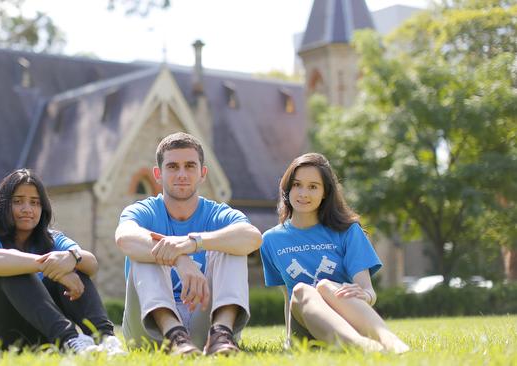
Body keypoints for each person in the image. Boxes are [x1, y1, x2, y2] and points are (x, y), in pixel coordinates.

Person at [115, 132, 262, 356]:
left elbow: (252, 237)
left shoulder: (216, 213)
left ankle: (222, 335)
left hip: (205, 321)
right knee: (150, 248)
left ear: (202, 173)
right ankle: (175, 336)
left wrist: (193, 243)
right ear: (158, 174)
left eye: (190, 166)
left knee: (231, 243)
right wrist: (178, 258)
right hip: (150, 327)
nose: (182, 174)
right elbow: (125, 238)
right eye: (173, 166)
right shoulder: (143, 210)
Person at [0, 168, 125, 356]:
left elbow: (91, 264)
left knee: (75, 266)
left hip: (34, 337)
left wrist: (72, 258)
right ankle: (70, 339)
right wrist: (44, 264)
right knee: (13, 268)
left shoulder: (53, 240)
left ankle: (105, 339)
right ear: (4, 205)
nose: (27, 209)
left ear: (42, 208)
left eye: (35, 203)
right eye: (18, 201)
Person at [259, 153, 409, 353]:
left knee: (325, 285)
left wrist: (365, 295)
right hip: (305, 328)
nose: (303, 193)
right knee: (301, 290)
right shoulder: (270, 240)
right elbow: (289, 297)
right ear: (287, 188)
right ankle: (361, 347)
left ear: (325, 193)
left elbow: (369, 291)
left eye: (313, 186)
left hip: (350, 320)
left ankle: (391, 343)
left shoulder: (348, 231)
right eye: (297, 185)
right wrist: (289, 340)